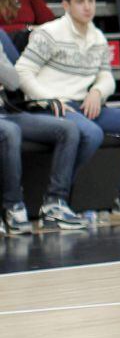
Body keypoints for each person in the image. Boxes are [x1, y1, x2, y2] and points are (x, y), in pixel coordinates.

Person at [16, 0, 120, 220]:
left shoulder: (98, 38)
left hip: (84, 104)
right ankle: (55, 199)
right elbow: (22, 71)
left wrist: (97, 91)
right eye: (80, 1)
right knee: (91, 133)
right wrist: (50, 99)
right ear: (66, 5)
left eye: (91, 0)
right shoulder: (49, 32)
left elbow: (106, 76)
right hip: (53, 105)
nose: (88, 7)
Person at [0, 45, 85, 233]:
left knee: (68, 129)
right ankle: (13, 207)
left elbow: (13, 82)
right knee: (10, 131)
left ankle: (54, 205)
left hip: (5, 113)